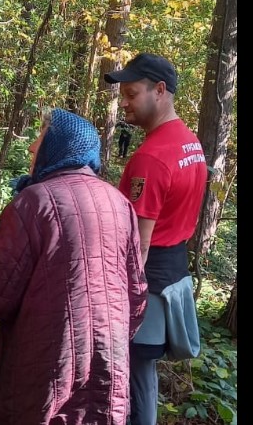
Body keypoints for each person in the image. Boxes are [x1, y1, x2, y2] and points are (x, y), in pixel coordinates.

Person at [0, 108, 148, 425]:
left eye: (40, 138)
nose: (32, 147)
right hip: (108, 363)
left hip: (45, 367)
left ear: (59, 146)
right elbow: (137, 296)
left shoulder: (34, 203)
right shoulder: (119, 204)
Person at [104, 53, 208, 425]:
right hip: (173, 271)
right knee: (142, 375)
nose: (124, 103)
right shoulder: (190, 143)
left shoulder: (152, 157)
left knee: (135, 375)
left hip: (148, 282)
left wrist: (118, 295)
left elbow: (138, 243)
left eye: (131, 94)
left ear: (160, 90)